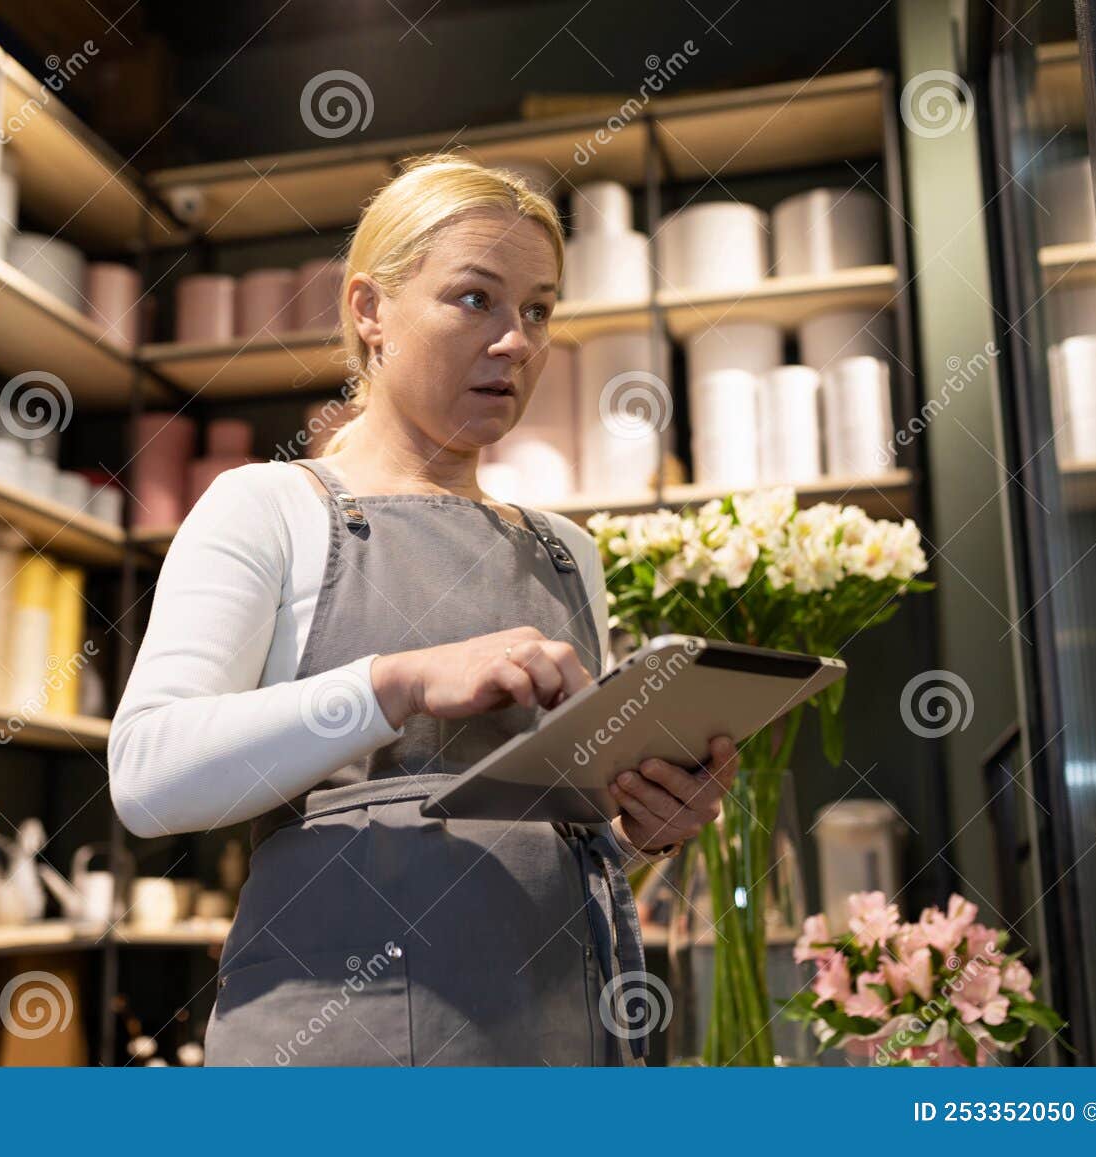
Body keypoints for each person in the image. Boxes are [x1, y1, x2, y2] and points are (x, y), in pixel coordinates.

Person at [109, 153, 736, 1066]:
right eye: (475, 299)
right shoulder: (271, 507)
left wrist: (647, 828)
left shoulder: (568, 550)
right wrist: (399, 680)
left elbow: (545, 845)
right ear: (370, 311)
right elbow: (145, 776)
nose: (516, 340)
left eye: (537, 310)